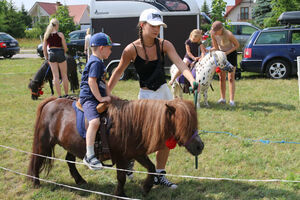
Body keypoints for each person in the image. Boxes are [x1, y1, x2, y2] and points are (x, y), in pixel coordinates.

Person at [107, 8, 197, 188]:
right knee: (144, 136)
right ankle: (132, 157)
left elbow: (180, 63)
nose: (157, 29)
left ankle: (159, 174)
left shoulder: (165, 44)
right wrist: (105, 93)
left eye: (159, 26)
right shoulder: (130, 49)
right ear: (142, 25)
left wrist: (193, 80)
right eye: (153, 26)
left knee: (168, 135)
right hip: (146, 98)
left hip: (164, 94)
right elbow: (118, 72)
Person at [80, 32, 120, 170]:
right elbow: (92, 82)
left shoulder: (99, 62)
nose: (111, 50)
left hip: (98, 95)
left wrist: (109, 96)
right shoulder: (95, 62)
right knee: (94, 121)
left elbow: (103, 82)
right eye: (110, 47)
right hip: (89, 98)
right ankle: (89, 155)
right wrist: (101, 99)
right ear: (102, 48)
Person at [210, 21, 239, 106]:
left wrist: (226, 53)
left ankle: (231, 100)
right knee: (221, 78)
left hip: (231, 55)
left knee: (230, 78)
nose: (214, 32)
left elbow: (237, 45)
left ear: (221, 29)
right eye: (213, 31)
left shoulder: (229, 34)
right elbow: (215, 47)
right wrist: (211, 50)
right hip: (221, 55)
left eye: (216, 31)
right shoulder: (213, 34)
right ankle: (222, 98)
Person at [43, 18, 69, 98]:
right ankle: (66, 94)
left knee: (55, 76)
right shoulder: (60, 34)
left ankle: (59, 95)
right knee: (64, 75)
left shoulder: (46, 35)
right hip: (60, 52)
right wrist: (64, 52)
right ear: (57, 25)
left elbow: (44, 49)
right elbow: (65, 47)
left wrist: (47, 58)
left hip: (51, 54)